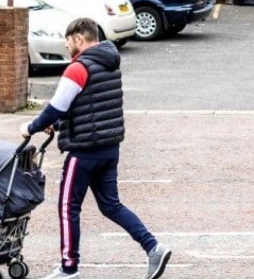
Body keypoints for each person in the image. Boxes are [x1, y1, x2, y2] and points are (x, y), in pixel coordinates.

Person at [22, 17, 170, 280]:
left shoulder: (78, 68)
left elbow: (57, 105)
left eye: (67, 40)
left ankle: (69, 268)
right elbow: (88, 105)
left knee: (68, 207)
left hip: (84, 151)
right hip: (109, 147)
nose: (66, 46)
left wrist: (31, 127)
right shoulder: (109, 62)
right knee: (111, 206)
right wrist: (57, 125)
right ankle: (153, 247)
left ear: (79, 38)